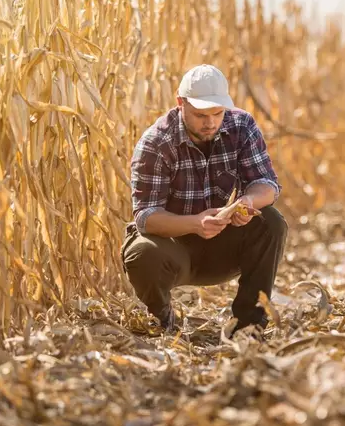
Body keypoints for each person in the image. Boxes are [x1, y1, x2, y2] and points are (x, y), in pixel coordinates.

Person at [121, 64, 288, 336]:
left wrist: (246, 202)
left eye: (217, 113)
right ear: (180, 104)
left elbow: (267, 185)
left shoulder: (241, 126)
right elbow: (146, 217)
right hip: (172, 246)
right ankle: (160, 320)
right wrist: (196, 223)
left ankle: (249, 326)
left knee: (271, 222)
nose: (210, 122)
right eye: (200, 115)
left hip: (221, 243)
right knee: (142, 253)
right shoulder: (156, 142)